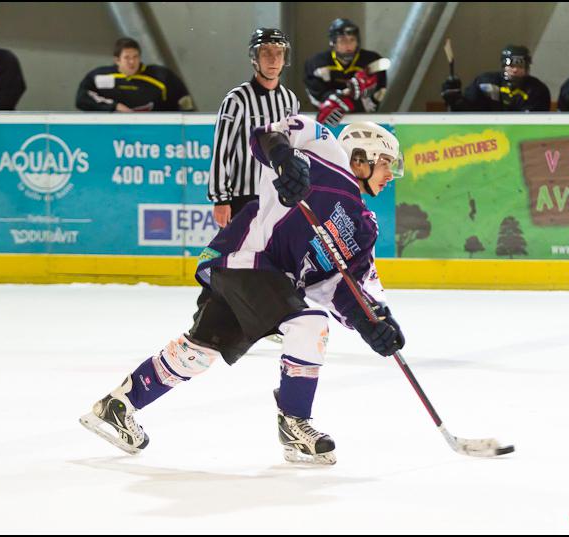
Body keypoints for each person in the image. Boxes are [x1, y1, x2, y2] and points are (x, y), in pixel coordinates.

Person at [80, 116, 406, 465]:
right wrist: (283, 157)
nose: (390, 175)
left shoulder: (363, 227)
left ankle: (118, 406)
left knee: (199, 351)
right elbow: (271, 133)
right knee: (309, 324)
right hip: (245, 258)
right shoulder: (326, 151)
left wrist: (373, 322)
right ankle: (295, 423)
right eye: (386, 163)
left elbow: (344, 286)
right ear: (361, 157)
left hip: (259, 280)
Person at [208, 28, 300, 229]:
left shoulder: (290, 100)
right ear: (255, 57)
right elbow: (222, 150)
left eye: (279, 52)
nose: (273, 59)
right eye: (266, 52)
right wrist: (221, 199)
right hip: (243, 198)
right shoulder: (237, 100)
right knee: (238, 250)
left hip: (278, 197)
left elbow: (293, 148)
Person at [305, 18, 389, 127]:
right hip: (330, 124)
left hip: (364, 122)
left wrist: (350, 101)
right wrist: (340, 97)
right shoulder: (316, 63)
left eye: (352, 40)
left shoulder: (372, 60)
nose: (348, 45)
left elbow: (376, 97)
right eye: (343, 41)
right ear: (333, 42)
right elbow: (317, 96)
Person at [75, 37, 196, 112]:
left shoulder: (161, 76)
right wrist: (114, 107)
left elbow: (184, 101)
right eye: (127, 57)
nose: (132, 62)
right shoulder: (100, 77)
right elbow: (82, 99)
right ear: (117, 60)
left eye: (135, 57)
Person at [441, 45, 550, 112]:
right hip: (484, 136)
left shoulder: (537, 90)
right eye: (511, 66)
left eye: (520, 66)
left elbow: (534, 124)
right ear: (503, 66)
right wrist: (455, 98)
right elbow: (467, 110)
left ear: (527, 68)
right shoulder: (485, 82)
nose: (515, 70)